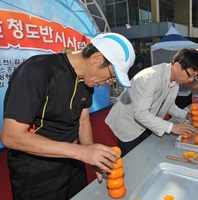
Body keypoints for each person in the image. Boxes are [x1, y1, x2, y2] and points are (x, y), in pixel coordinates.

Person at [0, 32, 135, 200]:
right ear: (96, 58)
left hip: (73, 163)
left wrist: (91, 156)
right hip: (37, 170)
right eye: (112, 75)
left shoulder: (87, 79)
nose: (109, 82)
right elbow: (11, 137)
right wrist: (81, 152)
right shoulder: (38, 70)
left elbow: (83, 120)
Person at [105, 48, 198, 157]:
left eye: (195, 76)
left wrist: (185, 115)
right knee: (132, 159)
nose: (191, 80)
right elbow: (140, 113)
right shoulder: (152, 77)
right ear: (177, 66)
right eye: (190, 75)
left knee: (145, 154)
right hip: (128, 123)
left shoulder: (176, 79)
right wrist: (172, 127)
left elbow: (168, 104)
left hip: (146, 121)